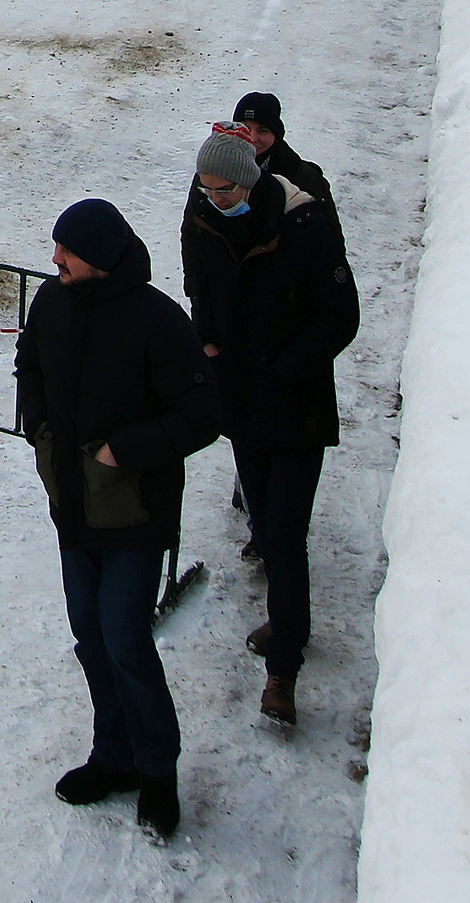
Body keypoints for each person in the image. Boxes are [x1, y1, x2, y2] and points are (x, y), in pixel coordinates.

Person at [19, 198, 221, 837]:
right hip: (74, 511)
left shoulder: (159, 322)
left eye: (66, 250)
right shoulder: (52, 303)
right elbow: (30, 363)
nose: (55, 260)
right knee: (90, 638)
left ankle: (158, 772)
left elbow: (203, 414)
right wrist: (41, 430)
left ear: (100, 259)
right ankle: (115, 757)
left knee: (126, 641)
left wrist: (122, 451)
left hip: (135, 513)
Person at [181, 130, 361, 726]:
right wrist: (206, 340)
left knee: (285, 537)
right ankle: (289, 621)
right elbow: (200, 287)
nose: (213, 199)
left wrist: (284, 367)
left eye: (224, 189)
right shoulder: (208, 219)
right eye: (206, 191)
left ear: (250, 181)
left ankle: (282, 671)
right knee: (266, 525)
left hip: (295, 405)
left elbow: (340, 316)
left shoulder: (305, 224)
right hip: (243, 406)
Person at [217, 91, 331, 206]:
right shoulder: (212, 173)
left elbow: (327, 223)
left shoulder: (306, 180)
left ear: (276, 137)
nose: (252, 138)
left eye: (263, 131)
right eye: (245, 128)